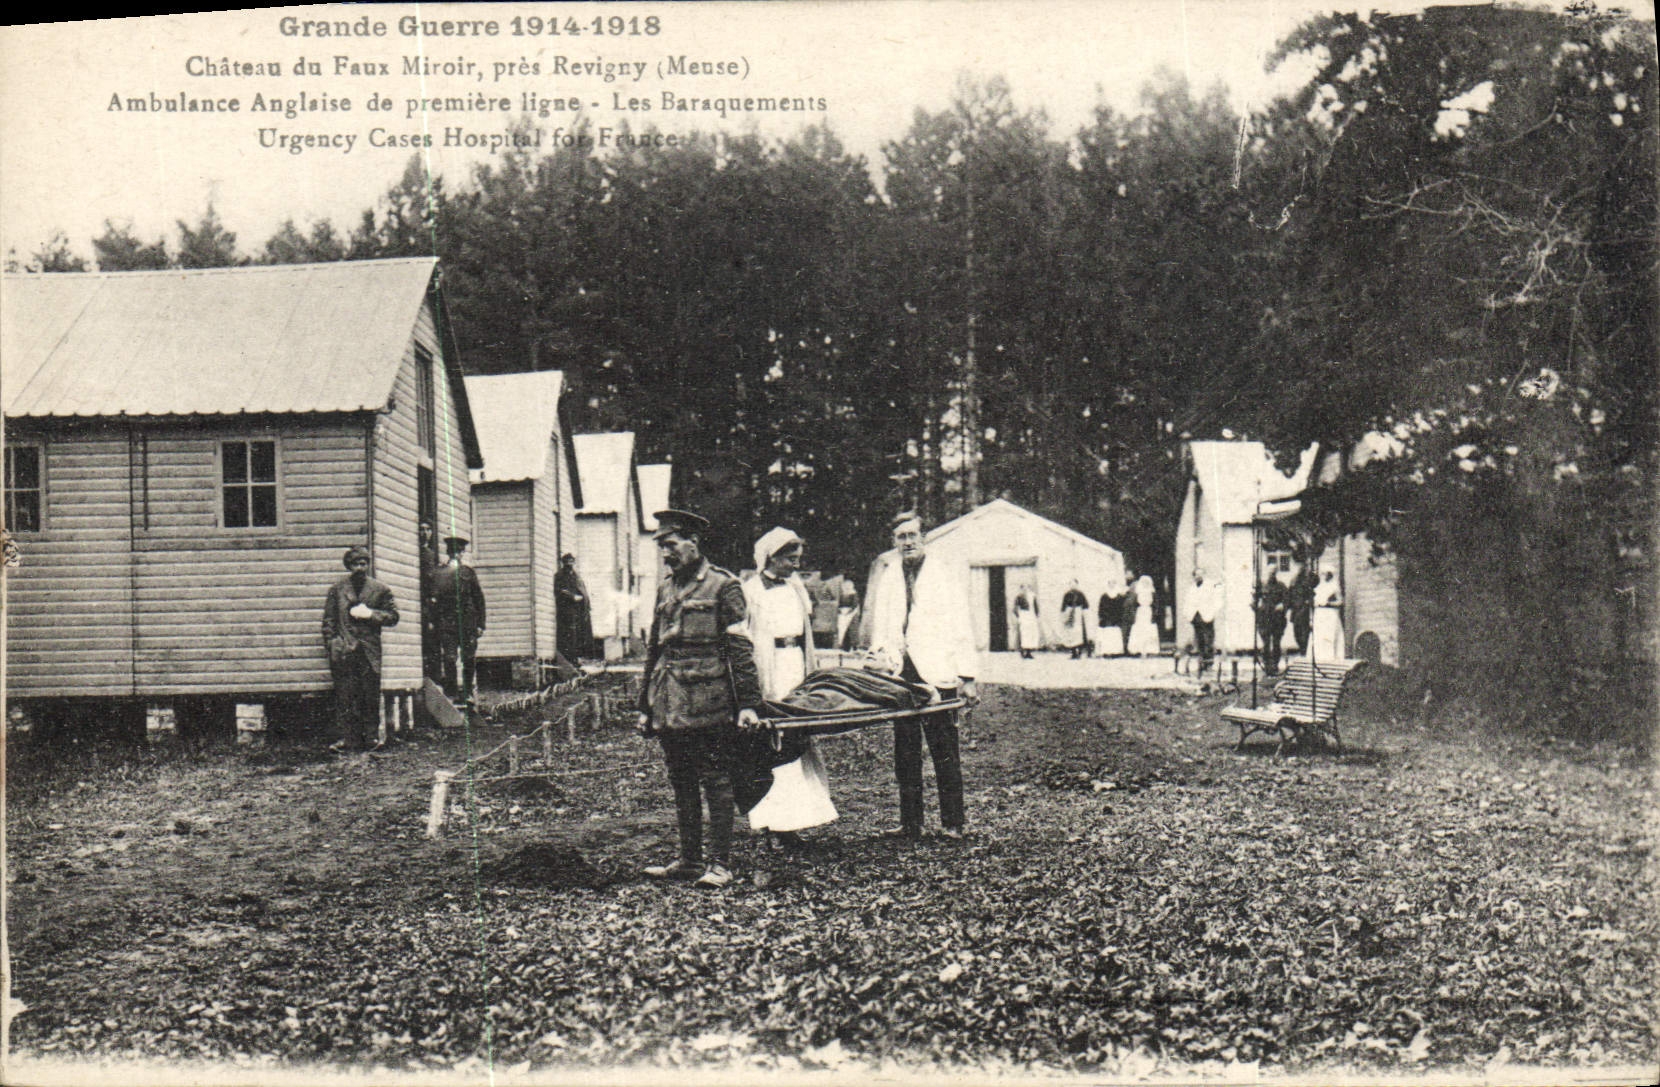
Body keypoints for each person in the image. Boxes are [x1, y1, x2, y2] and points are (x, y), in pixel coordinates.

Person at [636, 509, 763, 890]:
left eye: (672, 546)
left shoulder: (725, 586)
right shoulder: (665, 588)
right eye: (662, 548)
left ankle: (720, 864)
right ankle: (690, 860)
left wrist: (748, 704)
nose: (667, 555)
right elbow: (654, 651)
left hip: (710, 698)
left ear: (694, 542)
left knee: (717, 779)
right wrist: (644, 706)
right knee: (681, 780)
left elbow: (740, 649)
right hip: (670, 700)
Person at [866, 510, 979, 840]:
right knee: (906, 752)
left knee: (944, 749)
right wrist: (880, 662)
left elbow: (961, 625)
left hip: (938, 672)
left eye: (912, 535)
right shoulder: (889, 576)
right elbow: (883, 626)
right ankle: (911, 822)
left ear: (924, 537)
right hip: (902, 673)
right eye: (901, 537)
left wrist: (968, 676)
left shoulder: (943, 574)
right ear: (894, 542)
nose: (907, 542)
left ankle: (953, 822)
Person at [742, 527, 837, 840]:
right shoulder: (751, 590)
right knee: (775, 741)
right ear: (771, 557)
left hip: (795, 664)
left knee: (799, 738)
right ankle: (776, 821)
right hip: (770, 669)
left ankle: (798, 819)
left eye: (798, 559)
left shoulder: (796, 587)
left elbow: (805, 630)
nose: (795, 565)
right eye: (789, 559)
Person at [321, 546, 399, 752]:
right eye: (355, 564)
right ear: (349, 566)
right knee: (345, 695)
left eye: (363, 563)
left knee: (369, 695)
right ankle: (347, 739)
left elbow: (393, 617)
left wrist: (371, 614)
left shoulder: (380, 589)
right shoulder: (337, 590)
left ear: (368, 564)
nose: (360, 568)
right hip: (345, 650)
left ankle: (371, 738)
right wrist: (333, 643)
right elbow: (328, 621)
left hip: (368, 651)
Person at [430, 536, 486, 709]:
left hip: (468, 621)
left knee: (468, 658)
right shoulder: (439, 572)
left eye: (458, 551)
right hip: (447, 621)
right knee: (449, 657)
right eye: (452, 551)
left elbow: (479, 598)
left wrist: (480, 624)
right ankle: (452, 692)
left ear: (462, 553)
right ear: (448, 552)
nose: (455, 554)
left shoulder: (468, 573)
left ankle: (468, 693)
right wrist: (433, 621)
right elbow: (434, 599)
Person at [555, 553, 594, 664]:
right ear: (563, 563)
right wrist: (572, 597)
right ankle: (569, 659)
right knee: (568, 635)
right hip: (566, 610)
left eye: (571, 561)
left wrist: (586, 604)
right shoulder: (559, 576)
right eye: (567, 562)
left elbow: (582, 589)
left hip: (578, 610)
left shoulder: (576, 576)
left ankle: (576, 658)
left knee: (578, 635)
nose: (569, 564)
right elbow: (559, 591)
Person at [1253, 565, 1290, 675]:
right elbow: (1254, 600)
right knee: (1266, 643)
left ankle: (1275, 665)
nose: (1272, 574)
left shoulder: (1281, 586)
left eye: (1274, 572)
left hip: (1277, 619)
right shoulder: (1262, 586)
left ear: (1276, 573)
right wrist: (1257, 606)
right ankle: (1267, 666)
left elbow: (1287, 600)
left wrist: (1282, 605)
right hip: (1264, 619)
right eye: (1270, 572)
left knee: (1276, 643)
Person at [418, 522, 442, 683]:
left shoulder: (431, 553)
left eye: (428, 530)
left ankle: (435, 677)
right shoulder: (418, 553)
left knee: (433, 639)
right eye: (421, 529)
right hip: (421, 600)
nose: (424, 533)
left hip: (431, 602)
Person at [1189, 568, 1221, 675]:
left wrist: (1212, 612)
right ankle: (1201, 662)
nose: (1198, 577)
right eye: (1196, 575)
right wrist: (1190, 614)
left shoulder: (1209, 586)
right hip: (1196, 616)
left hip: (1207, 616)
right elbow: (1188, 601)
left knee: (1209, 639)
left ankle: (1209, 662)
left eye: (1200, 574)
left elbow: (1216, 600)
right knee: (1200, 640)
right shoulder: (1192, 588)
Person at [1311, 564, 1345, 661]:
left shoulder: (1334, 587)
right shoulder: (1319, 587)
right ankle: (1319, 659)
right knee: (1320, 638)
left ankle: (1330, 659)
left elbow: (1340, 602)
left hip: (1330, 614)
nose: (1324, 576)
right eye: (1323, 574)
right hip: (1319, 615)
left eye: (1326, 574)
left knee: (1329, 636)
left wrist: (1329, 603)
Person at [1126, 571, 1160, 656]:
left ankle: (1149, 649)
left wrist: (1154, 614)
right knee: (1140, 630)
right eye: (1143, 582)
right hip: (1140, 613)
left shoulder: (1152, 593)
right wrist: (1134, 614)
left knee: (1149, 630)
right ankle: (1138, 649)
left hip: (1149, 612)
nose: (1145, 584)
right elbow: (1133, 604)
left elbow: (1156, 604)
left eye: (1147, 583)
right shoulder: (1138, 593)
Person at [1096, 578, 1127, 658]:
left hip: (1115, 618)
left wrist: (1119, 617)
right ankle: (1107, 652)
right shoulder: (1104, 596)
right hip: (1107, 618)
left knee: (1115, 633)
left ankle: (1115, 652)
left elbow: (1121, 608)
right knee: (1107, 634)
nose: (1111, 585)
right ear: (1108, 584)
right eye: (1110, 583)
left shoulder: (1119, 596)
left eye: (1113, 583)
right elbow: (1101, 607)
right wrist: (1102, 616)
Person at [1059, 581, 1090, 659]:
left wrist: (1081, 610)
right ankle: (1073, 652)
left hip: (1078, 615)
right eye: (1071, 584)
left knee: (1079, 633)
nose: (1073, 586)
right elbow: (1063, 606)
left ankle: (1079, 651)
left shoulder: (1080, 594)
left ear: (1077, 585)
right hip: (1070, 615)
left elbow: (1086, 605)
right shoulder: (1067, 594)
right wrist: (1065, 614)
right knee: (1071, 634)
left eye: (1074, 584)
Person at [1290, 564, 1315, 655]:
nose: (1300, 569)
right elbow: (1290, 594)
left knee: (1304, 633)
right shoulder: (1294, 581)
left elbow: (1312, 594)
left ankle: (1304, 652)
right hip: (1296, 611)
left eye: (1302, 567)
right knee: (1296, 633)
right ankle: (1302, 649)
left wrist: (1308, 602)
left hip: (1305, 611)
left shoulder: (1308, 580)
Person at [1011, 588, 1040, 659]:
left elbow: (1036, 608)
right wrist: (1019, 616)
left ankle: (1029, 652)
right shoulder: (1019, 596)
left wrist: (1036, 615)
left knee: (1031, 634)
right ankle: (1022, 651)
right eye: (1023, 588)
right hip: (1024, 616)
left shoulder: (1033, 596)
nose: (1025, 589)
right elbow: (1014, 609)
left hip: (1031, 616)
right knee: (1024, 634)